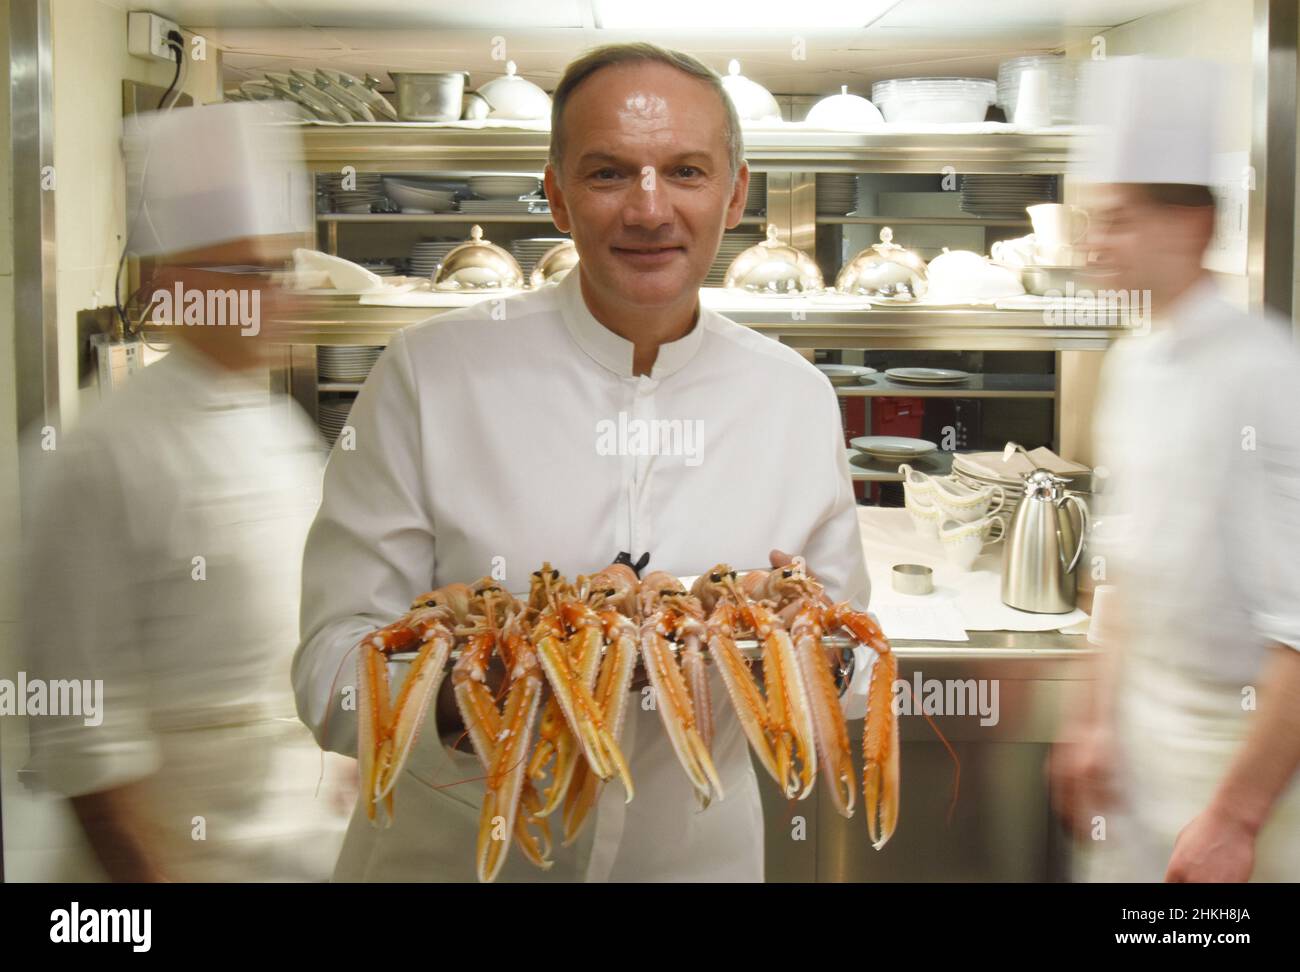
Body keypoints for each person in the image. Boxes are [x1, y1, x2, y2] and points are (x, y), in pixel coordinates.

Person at [293, 43, 870, 882]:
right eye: (608, 173)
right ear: (557, 195)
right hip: (451, 857)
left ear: (736, 194)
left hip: (692, 861)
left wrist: (782, 651)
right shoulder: (430, 373)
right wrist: (491, 683)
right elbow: (326, 675)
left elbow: (847, 681)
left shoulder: (796, 398)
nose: (649, 209)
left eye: (685, 171)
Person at [22, 101, 352, 881]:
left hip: (299, 848)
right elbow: (83, 733)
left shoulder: (277, 428)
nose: (281, 292)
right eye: (251, 271)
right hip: (174, 861)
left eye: (285, 266)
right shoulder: (101, 456)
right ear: (171, 285)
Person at [1049, 57, 1300, 881]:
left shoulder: (1267, 372)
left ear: (1192, 224)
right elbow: (1120, 571)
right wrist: (1092, 720)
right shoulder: (1135, 358)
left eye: (1116, 221)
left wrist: (1233, 818)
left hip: (1238, 754)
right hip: (1135, 735)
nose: (1093, 244)